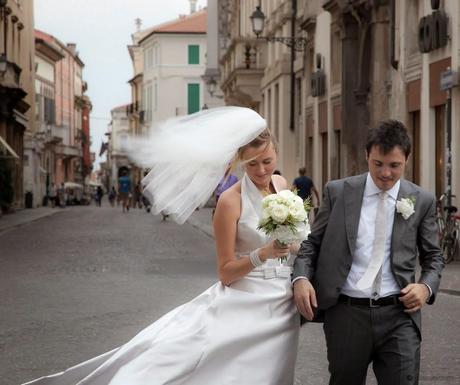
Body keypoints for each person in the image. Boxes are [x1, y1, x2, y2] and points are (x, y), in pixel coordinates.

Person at [22, 107, 303, 385]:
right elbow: (226, 274)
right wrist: (262, 254)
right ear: (240, 160)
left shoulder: (281, 184)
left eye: (266, 160)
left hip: (282, 303)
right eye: (252, 164)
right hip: (245, 305)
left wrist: (293, 248)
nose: (261, 170)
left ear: (275, 152)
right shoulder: (230, 201)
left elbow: (292, 242)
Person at [292, 120, 444, 385]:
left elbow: (434, 257)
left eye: (394, 165)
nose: (385, 173)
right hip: (347, 315)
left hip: (399, 315)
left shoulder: (422, 200)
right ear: (367, 157)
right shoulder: (338, 192)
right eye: (378, 164)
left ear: (406, 160)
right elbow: (311, 245)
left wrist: (425, 288)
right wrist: (301, 278)